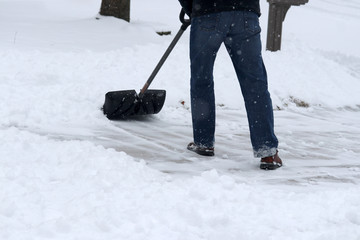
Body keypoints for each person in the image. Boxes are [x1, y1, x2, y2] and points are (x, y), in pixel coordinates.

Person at [178, 0, 283, 170]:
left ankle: (204, 142)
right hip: (245, 14)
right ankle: (267, 152)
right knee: (254, 83)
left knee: (201, 79)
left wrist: (193, 8)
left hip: (207, 13)